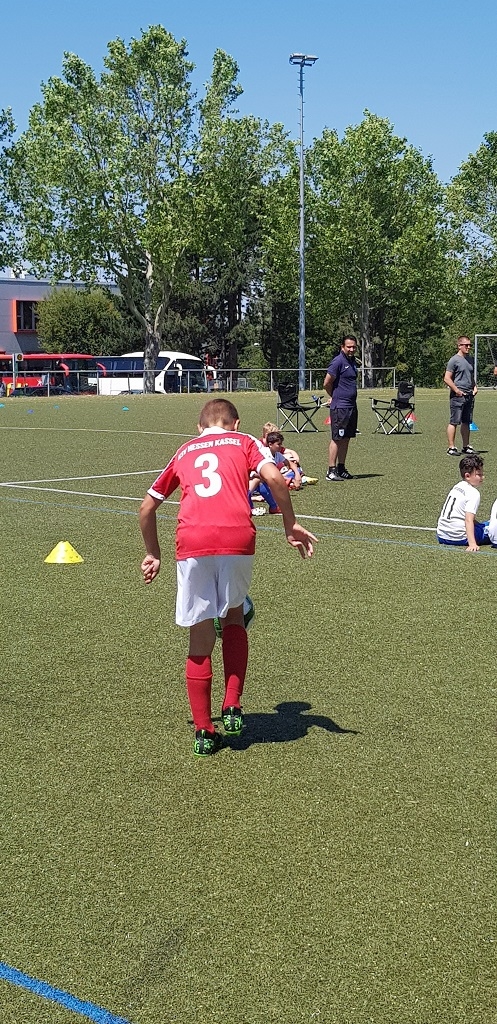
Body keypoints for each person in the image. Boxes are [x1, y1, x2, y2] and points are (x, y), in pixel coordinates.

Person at [139, 398, 316, 757]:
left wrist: (153, 553)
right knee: (234, 615)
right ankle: (232, 704)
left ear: (199, 427)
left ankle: (204, 732)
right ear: (235, 423)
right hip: (236, 538)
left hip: (193, 542)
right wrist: (290, 524)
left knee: (200, 632)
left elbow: (146, 507)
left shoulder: (185, 450)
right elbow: (275, 478)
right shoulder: (245, 441)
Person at [436, 454, 490, 552]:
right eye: (479, 475)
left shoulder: (457, 486)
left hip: (442, 535)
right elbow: (468, 519)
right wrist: (472, 544)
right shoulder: (473, 493)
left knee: (484, 525)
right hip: (459, 537)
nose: (483, 477)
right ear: (467, 476)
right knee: (493, 527)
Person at [323, 335, 358, 481]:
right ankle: (331, 471)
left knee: (346, 438)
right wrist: (335, 396)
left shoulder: (353, 361)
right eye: (348, 347)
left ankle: (341, 468)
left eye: (354, 347)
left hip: (351, 406)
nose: (351, 349)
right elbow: (327, 383)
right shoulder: (338, 361)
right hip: (340, 408)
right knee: (337, 438)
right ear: (342, 347)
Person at [443, 337, 478, 456]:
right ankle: (451, 447)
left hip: (469, 395)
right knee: (454, 421)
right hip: (458, 396)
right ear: (459, 346)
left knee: (466, 421)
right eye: (466, 345)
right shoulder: (454, 360)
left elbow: (470, 376)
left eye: (470, 345)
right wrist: (457, 390)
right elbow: (447, 378)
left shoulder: (470, 359)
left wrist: (474, 387)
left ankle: (466, 446)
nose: (468, 347)